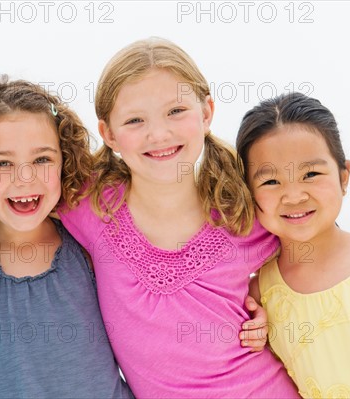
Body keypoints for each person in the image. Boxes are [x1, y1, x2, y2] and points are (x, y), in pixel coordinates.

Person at [58, 37, 300, 397]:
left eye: (175, 111)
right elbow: (9, 200)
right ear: (109, 134)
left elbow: (319, 247)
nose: (159, 134)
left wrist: (270, 307)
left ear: (206, 113)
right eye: (135, 120)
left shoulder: (243, 212)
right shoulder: (90, 204)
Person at [0, 78, 133, 397]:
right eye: (2, 163)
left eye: (42, 159)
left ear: (65, 161)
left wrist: (252, 300)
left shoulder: (87, 245)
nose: (25, 178)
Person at [236, 92, 350, 398]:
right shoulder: (260, 296)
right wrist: (255, 334)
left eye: (311, 174)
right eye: (271, 182)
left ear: (344, 176)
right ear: (249, 192)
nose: (294, 196)